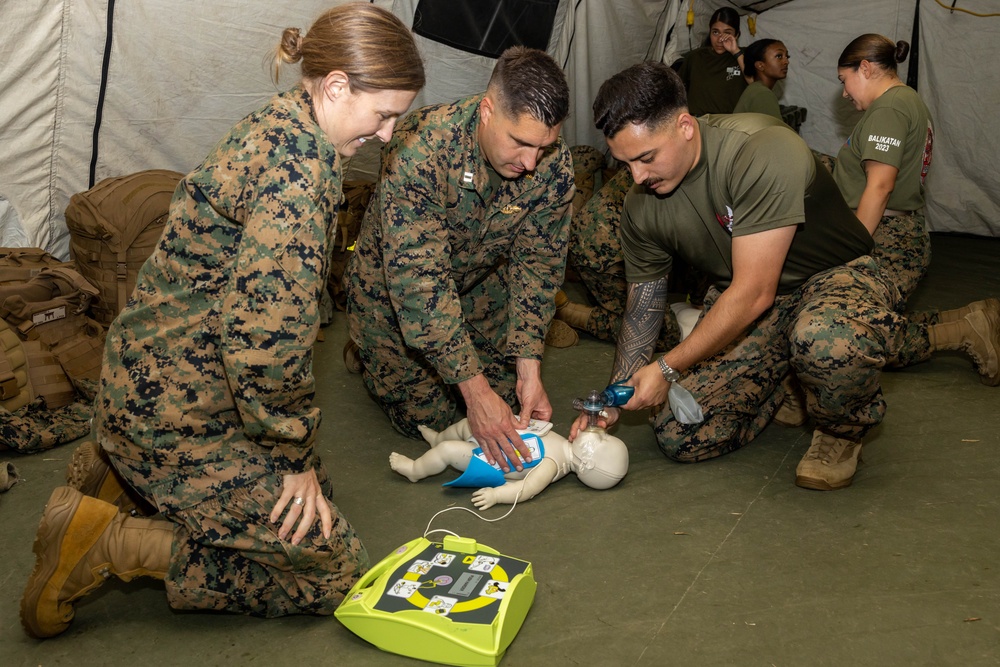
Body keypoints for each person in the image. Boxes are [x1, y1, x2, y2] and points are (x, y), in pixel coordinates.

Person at [20, 4, 426, 639]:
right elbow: (265, 343)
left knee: (312, 495)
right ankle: (110, 542)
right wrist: (290, 453)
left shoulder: (282, 121)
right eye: (385, 114)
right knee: (334, 569)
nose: (386, 134)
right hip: (178, 410)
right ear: (338, 85)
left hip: (152, 379)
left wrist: (298, 460)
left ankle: (121, 475)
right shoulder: (302, 174)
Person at [571, 62, 999, 492]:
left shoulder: (760, 149)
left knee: (828, 340)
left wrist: (665, 367)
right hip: (755, 300)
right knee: (681, 430)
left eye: (646, 157)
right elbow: (643, 309)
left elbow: (754, 292)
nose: (638, 176)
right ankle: (787, 378)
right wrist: (612, 397)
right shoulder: (642, 204)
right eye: (625, 163)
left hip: (833, 279)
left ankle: (841, 431)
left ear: (685, 126)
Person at [344, 46, 574, 474]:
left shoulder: (552, 165)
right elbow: (419, 284)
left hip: (473, 285)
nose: (530, 163)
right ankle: (366, 348)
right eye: (521, 143)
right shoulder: (421, 149)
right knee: (435, 420)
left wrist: (529, 364)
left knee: (506, 406)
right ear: (487, 112)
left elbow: (538, 266)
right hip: (393, 296)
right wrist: (474, 391)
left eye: (543, 147)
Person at [831, 34, 934, 305]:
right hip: (893, 230)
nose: (844, 92)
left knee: (852, 329)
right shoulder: (907, 100)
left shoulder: (889, 108)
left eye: (844, 80)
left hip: (885, 236)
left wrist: (851, 250)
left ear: (864, 68)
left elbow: (880, 186)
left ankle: (963, 328)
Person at [388, 416, 629, 510]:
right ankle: (437, 437)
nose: (601, 432)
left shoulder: (551, 465)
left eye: (602, 439)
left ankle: (415, 470)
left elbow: (525, 489)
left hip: (490, 458)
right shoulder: (562, 443)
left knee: (448, 451)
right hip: (497, 434)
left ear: (586, 464)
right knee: (468, 422)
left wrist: (496, 496)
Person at [676, 7, 747, 115]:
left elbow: (754, 83)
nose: (720, 39)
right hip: (698, 122)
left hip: (729, 125)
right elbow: (676, 90)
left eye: (727, 33)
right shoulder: (695, 57)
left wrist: (736, 52)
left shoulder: (744, 56)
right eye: (715, 32)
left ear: (736, 35)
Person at [732, 38, 789, 120]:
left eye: (787, 56)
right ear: (760, 65)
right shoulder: (762, 93)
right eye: (779, 56)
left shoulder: (756, 89)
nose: (786, 61)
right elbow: (774, 131)